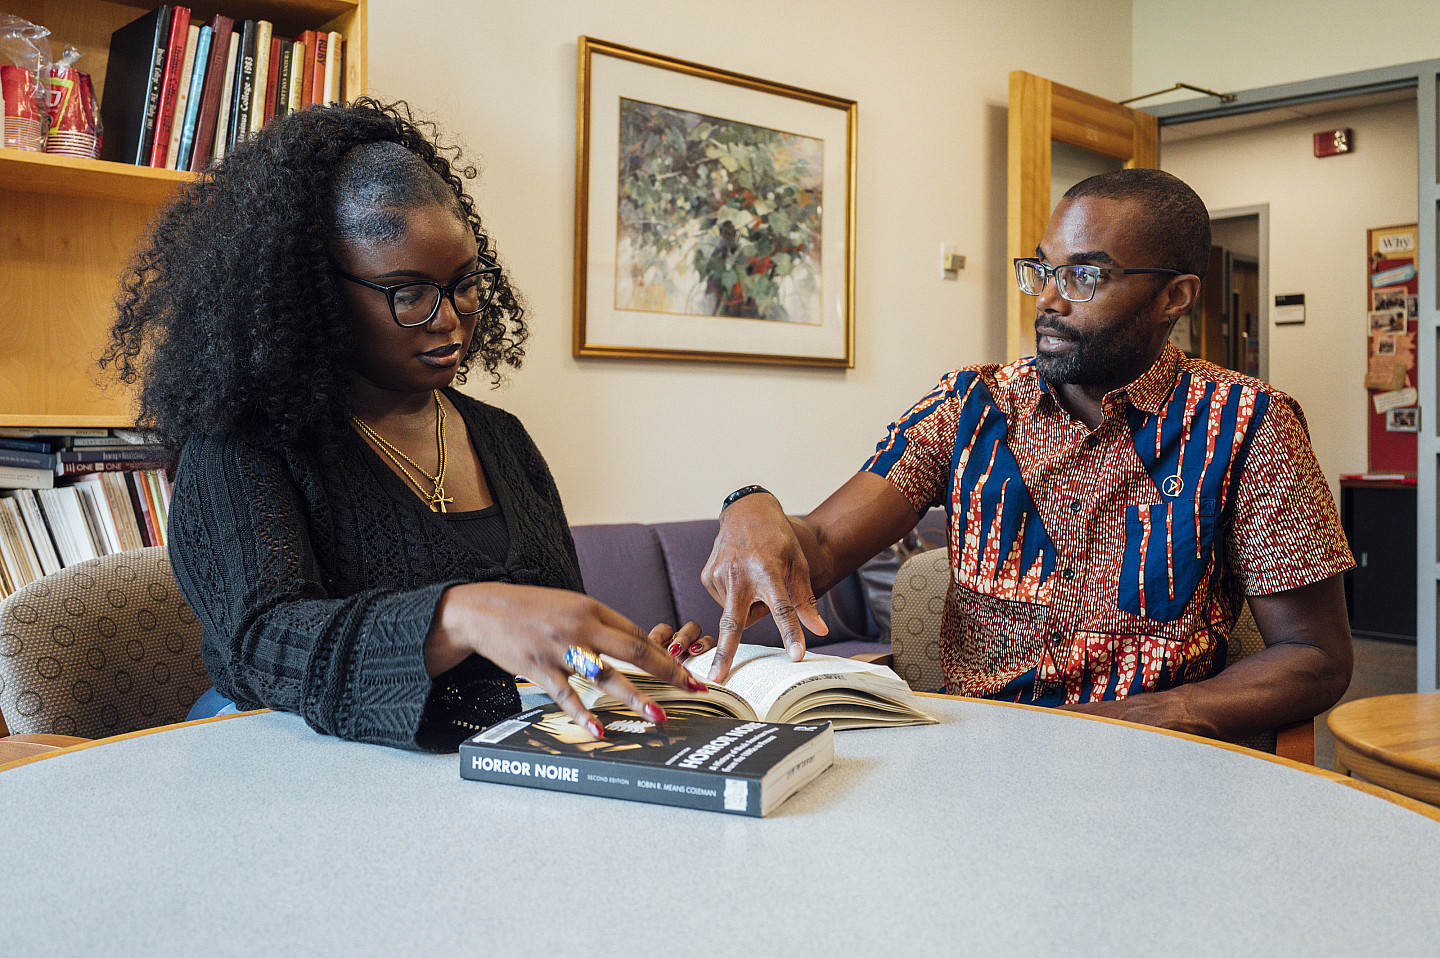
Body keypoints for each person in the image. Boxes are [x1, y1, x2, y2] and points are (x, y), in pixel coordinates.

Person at [102, 98, 708, 752]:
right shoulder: (241, 446)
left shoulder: (502, 439)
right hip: (297, 771)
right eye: (409, 292)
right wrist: (457, 615)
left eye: (465, 282)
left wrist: (612, 664)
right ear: (316, 292)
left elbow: (542, 628)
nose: (452, 318)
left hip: (482, 764)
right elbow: (262, 645)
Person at [703, 169, 1354, 742]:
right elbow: (817, 547)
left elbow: (1313, 655)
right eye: (1042, 269)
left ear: (1175, 296)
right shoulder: (970, 404)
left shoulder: (1249, 424)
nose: (1047, 298)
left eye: (1085, 274)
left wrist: (1147, 720)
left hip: (1153, 762)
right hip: (976, 762)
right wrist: (749, 506)